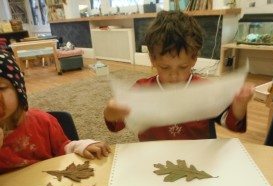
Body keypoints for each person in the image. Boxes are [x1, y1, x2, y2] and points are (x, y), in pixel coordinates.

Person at [103, 10, 254, 141]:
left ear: (194, 58)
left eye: (183, 67)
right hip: (154, 159)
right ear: (152, 59)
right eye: (165, 67)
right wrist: (111, 112)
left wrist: (239, 106)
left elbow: (230, 122)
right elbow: (116, 125)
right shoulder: (142, 89)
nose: (174, 75)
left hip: (197, 158)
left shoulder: (205, 90)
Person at [0, 50, 111, 174]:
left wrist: (82, 146)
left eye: (1, 88)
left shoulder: (43, 121)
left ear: (19, 90)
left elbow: (63, 148)